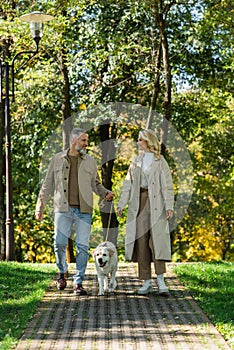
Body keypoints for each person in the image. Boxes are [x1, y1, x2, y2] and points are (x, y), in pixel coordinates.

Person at [35, 128, 114, 295]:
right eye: (83, 141)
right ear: (74, 141)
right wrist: (40, 206)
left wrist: (105, 193)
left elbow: (96, 184)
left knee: (82, 247)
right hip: (62, 209)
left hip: (84, 210)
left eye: (86, 141)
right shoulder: (57, 159)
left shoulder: (90, 161)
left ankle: (78, 282)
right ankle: (62, 272)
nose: (86, 144)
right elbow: (47, 184)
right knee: (59, 243)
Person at [117, 129, 174, 295]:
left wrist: (169, 206)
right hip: (139, 203)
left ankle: (161, 281)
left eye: (140, 139)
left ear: (148, 141)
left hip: (157, 203)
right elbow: (128, 185)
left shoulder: (160, 161)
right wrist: (122, 204)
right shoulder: (136, 162)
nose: (138, 142)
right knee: (141, 241)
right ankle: (146, 281)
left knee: (157, 241)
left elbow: (167, 186)